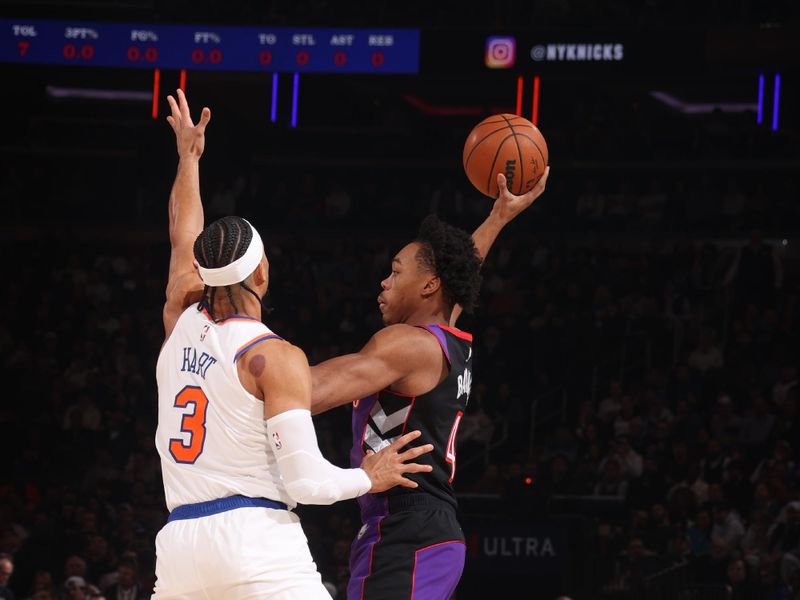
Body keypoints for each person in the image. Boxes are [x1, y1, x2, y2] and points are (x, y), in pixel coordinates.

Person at [152, 89, 433, 599]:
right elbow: (306, 483)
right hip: (254, 540)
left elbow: (182, 230)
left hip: (178, 546)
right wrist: (367, 477)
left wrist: (187, 158)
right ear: (263, 270)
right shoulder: (274, 356)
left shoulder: (180, 311)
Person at [308, 167, 550, 599]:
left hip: (407, 529)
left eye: (396, 271)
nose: (384, 281)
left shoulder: (406, 345)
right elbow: (460, 274)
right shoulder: (445, 333)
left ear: (429, 284)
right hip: (418, 528)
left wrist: (244, 356)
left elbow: (308, 393)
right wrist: (498, 216)